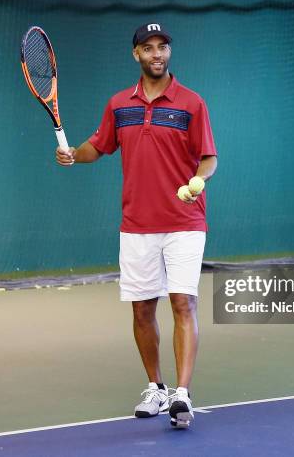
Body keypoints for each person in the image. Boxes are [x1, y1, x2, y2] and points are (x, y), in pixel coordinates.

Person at [55, 22, 217, 428]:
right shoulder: (118, 105)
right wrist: (74, 154)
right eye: (149, 48)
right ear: (137, 55)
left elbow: (208, 157)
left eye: (163, 47)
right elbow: (99, 146)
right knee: (143, 310)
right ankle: (156, 388)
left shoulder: (192, 103)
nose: (157, 54)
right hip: (137, 225)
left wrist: (198, 179)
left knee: (183, 302)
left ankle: (182, 395)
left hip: (185, 221)